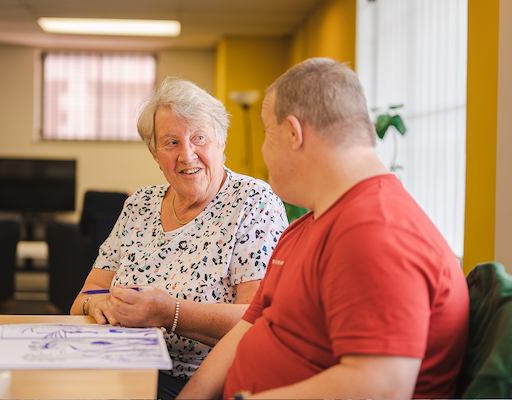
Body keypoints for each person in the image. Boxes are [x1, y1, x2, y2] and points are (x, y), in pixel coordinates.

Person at [178, 58, 469, 399]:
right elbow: (248, 327)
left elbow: (381, 388)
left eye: (267, 134)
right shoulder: (310, 225)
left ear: (292, 133)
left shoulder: (376, 232)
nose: (263, 151)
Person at [70, 77, 288, 399]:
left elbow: (258, 320)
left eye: (199, 138)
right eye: (171, 142)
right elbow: (83, 298)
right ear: (155, 153)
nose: (187, 155)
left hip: (204, 382)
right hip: (122, 367)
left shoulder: (253, 201)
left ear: (221, 142)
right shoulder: (140, 204)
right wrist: (98, 303)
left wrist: (169, 313)